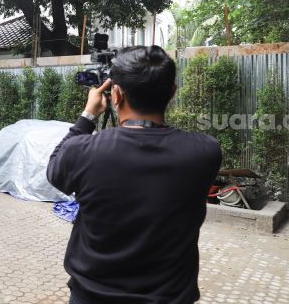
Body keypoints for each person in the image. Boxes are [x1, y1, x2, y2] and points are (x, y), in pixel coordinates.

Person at [47, 46, 223, 304]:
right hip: (170, 297)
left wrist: (87, 116)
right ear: (172, 92)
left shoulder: (83, 151)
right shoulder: (205, 152)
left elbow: (55, 171)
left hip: (92, 296)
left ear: (116, 95)